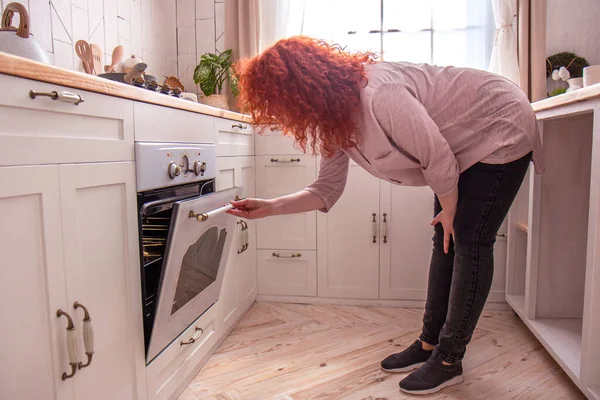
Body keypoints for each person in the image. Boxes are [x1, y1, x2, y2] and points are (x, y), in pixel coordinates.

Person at [227, 36, 543, 395]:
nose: (279, 115)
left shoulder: (379, 95)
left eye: (278, 103)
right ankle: (429, 344)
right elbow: (325, 189)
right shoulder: (334, 120)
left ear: (301, 90)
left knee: (469, 240)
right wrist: (269, 207)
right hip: (461, 144)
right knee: (446, 239)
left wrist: (450, 209)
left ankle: (449, 360)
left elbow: (437, 157)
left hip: (500, 121)